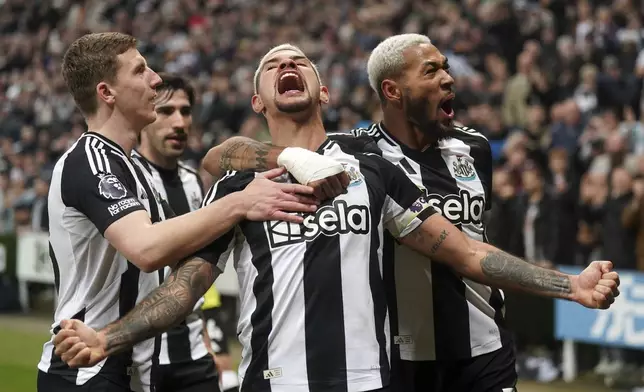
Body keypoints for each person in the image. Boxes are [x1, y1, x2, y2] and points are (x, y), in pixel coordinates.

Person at [52, 44, 619, 392]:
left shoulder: (373, 171)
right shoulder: (239, 186)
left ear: (321, 90)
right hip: (272, 384)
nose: (287, 64)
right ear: (259, 103)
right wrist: (108, 337)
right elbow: (182, 291)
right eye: (272, 65)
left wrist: (569, 285)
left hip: (371, 384)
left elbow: (466, 251)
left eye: (300, 60)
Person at [37, 33, 321, 392]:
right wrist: (239, 202)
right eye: (140, 71)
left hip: (127, 366)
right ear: (107, 93)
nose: (155, 79)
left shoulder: (130, 167)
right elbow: (148, 250)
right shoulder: (92, 160)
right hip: (86, 367)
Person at [132, 72, 234, 392]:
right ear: (145, 115)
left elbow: (200, 268)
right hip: (136, 356)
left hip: (193, 353)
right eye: (165, 111)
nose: (179, 122)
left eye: (185, 111)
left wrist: (212, 339)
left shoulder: (193, 182)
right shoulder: (124, 176)